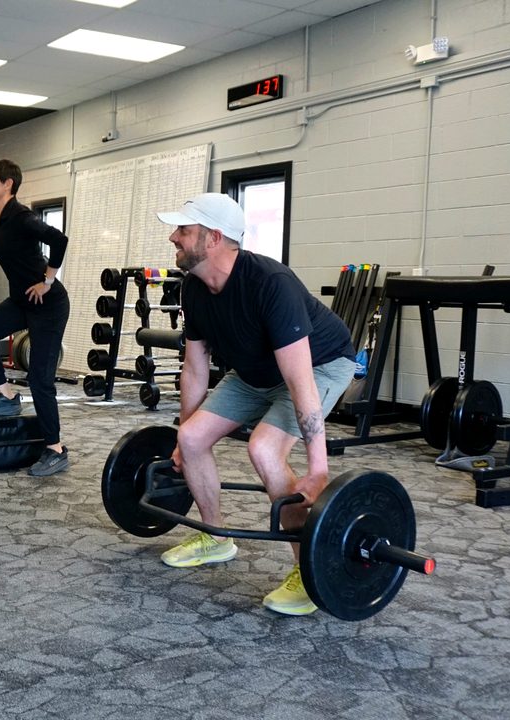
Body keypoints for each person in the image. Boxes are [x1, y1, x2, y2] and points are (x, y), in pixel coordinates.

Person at [154, 192, 356, 616]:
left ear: (213, 238)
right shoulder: (194, 288)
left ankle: (310, 569)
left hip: (319, 366)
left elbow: (300, 380)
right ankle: (215, 536)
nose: (173, 237)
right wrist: (182, 438)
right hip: (253, 372)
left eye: (183, 231)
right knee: (191, 440)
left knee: (263, 448)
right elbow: (194, 369)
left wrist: (318, 469)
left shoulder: (270, 284)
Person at [0, 159, 71, 477]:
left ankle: (55, 449)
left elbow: (59, 239)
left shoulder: (22, 217)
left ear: (8, 184)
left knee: (41, 380)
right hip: (21, 300)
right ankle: (7, 395)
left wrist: (48, 280)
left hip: (48, 304)